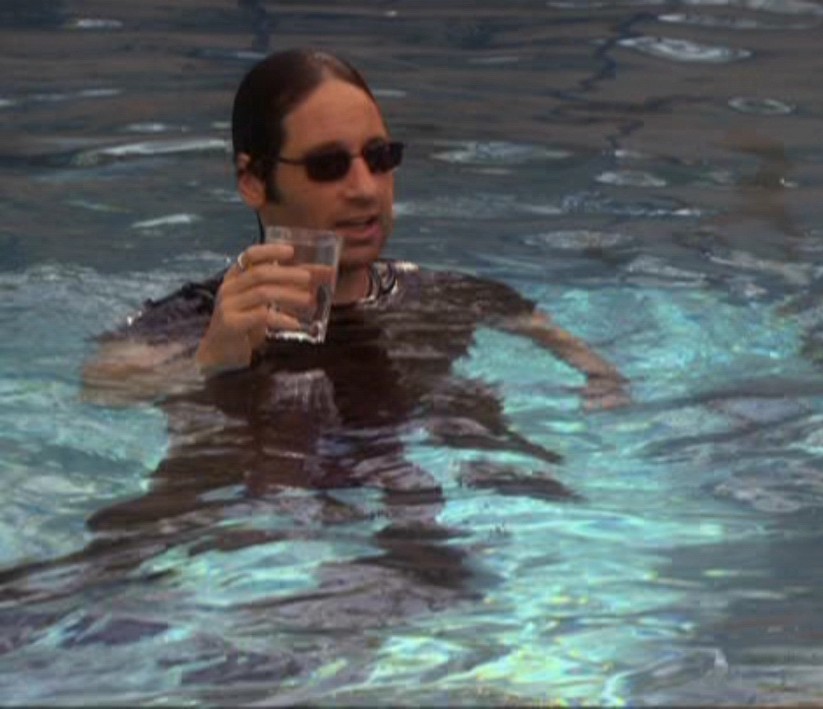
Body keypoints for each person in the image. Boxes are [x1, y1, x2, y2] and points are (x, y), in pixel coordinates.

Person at [1, 49, 626, 619]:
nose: (364, 189)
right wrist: (210, 360)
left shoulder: (438, 294)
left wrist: (602, 386)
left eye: (379, 158)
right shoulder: (209, 312)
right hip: (237, 507)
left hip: (403, 494)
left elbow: (572, 349)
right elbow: (102, 386)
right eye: (328, 166)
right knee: (94, 571)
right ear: (253, 179)